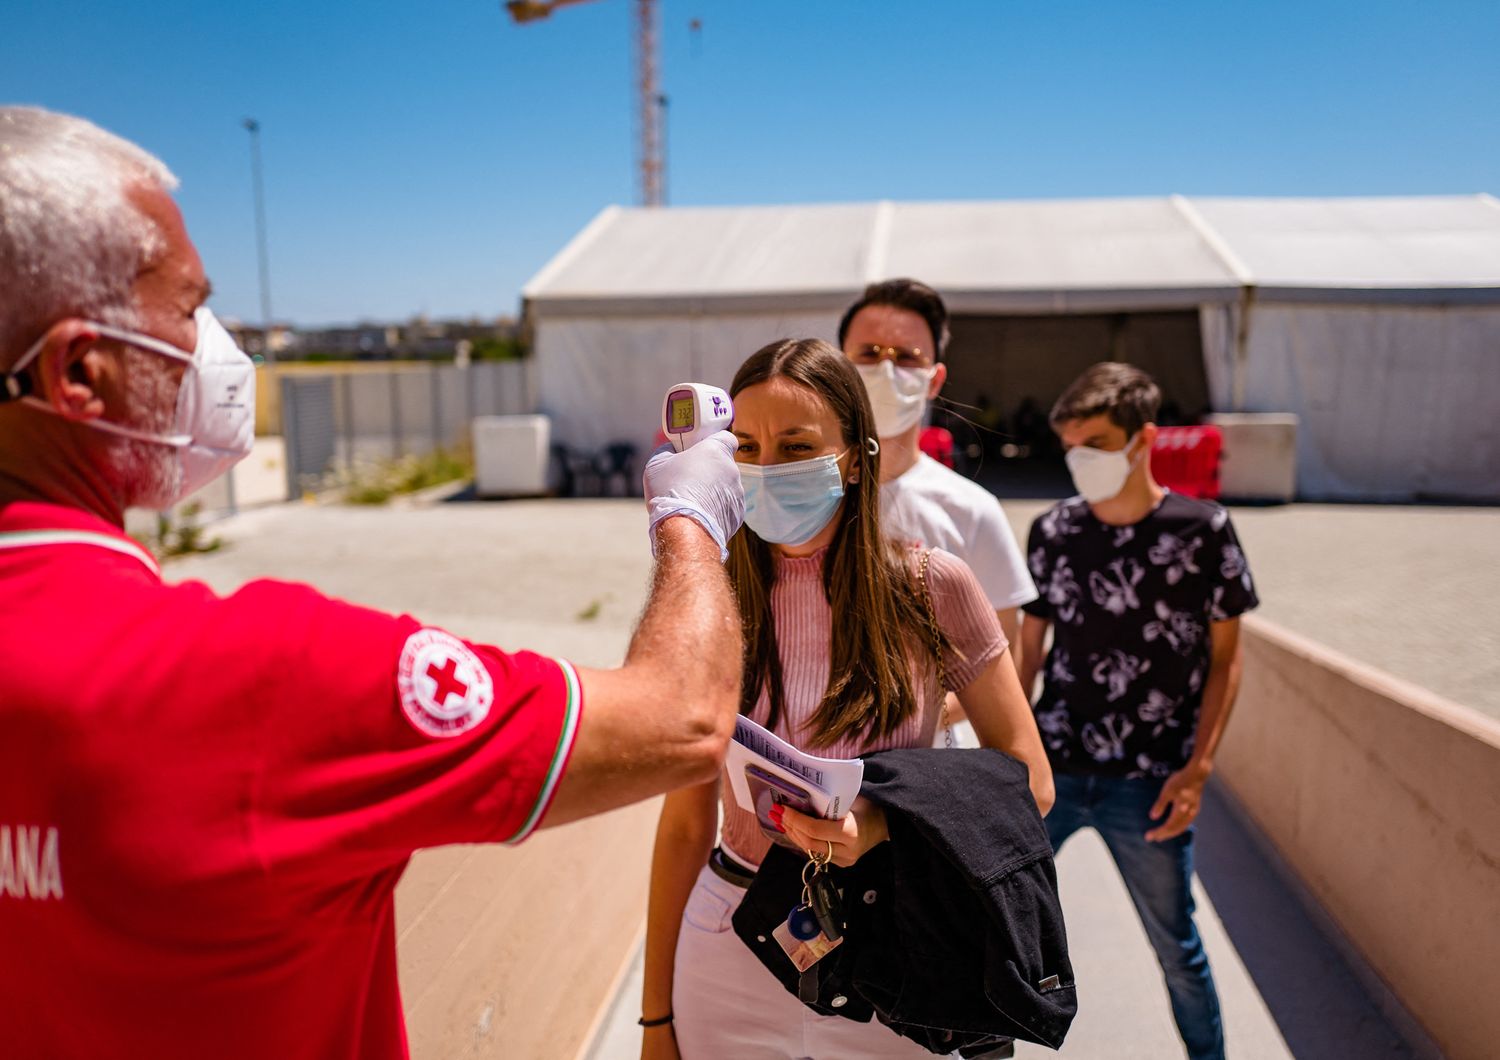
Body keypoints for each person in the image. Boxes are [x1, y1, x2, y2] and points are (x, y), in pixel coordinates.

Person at [0, 106, 745, 1059]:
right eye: (188, 310)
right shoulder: (263, 675)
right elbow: (681, 720)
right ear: (77, 373)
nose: (218, 352)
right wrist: (692, 517)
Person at [640, 338, 1053, 1060]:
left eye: (797, 446)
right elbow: (682, 827)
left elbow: (1031, 778)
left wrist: (886, 825)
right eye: (745, 448)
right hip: (727, 941)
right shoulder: (712, 606)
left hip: (895, 950)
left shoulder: (933, 587)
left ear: (857, 458)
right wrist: (654, 1021)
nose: (766, 470)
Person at [1017, 362, 1259, 1060]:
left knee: (1176, 948)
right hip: (1054, 769)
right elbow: (1028, 651)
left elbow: (1226, 661)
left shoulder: (1203, 531)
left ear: (1143, 439)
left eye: (1094, 443)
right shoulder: (1053, 530)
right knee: (986, 913)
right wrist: (1014, 753)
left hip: (1150, 783)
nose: (1078, 460)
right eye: (1070, 447)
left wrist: (1198, 769)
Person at [839, 279, 1036, 656]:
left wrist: (928, 715)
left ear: (935, 380)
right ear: (838, 367)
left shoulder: (974, 510)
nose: (886, 369)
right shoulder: (795, 496)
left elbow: (1002, 655)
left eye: (906, 356)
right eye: (869, 353)